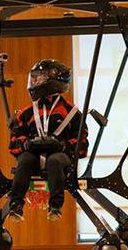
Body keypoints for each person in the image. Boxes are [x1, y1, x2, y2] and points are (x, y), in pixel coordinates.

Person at [7, 58, 88, 222]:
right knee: (24, 160)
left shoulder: (72, 112)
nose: (34, 81)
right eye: (33, 77)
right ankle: (15, 205)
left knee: (55, 160)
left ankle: (55, 206)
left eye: (39, 77)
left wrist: (62, 146)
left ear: (53, 80)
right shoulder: (26, 113)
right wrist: (27, 144)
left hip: (60, 157)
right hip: (33, 156)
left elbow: (82, 146)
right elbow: (13, 142)